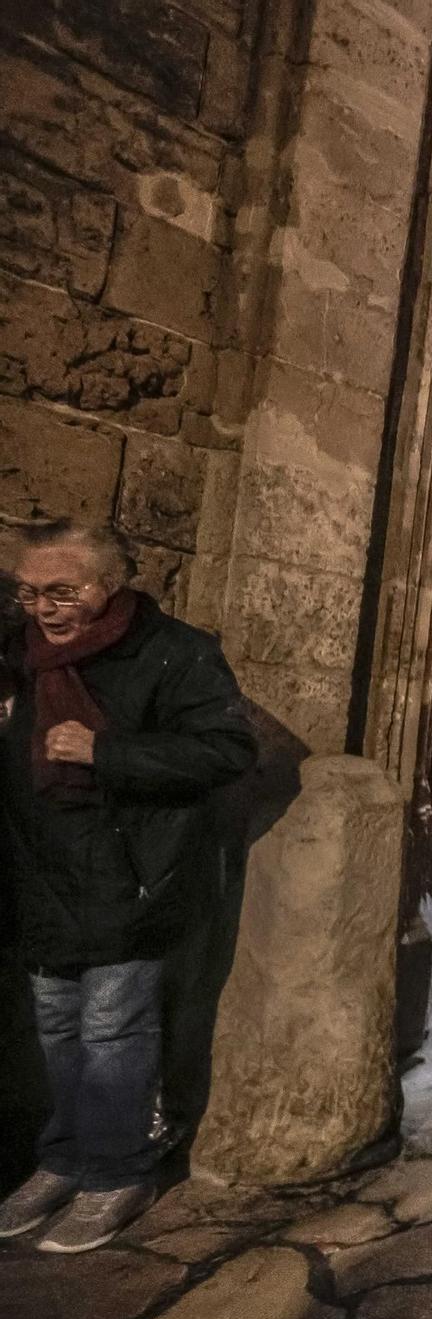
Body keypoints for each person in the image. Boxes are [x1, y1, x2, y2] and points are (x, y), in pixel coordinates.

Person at [0, 522, 255, 1251]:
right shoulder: (20, 654)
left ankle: (116, 1172)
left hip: (129, 877)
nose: (42, 608)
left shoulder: (176, 651)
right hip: (42, 873)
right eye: (28, 591)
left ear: (111, 584)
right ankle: (62, 1159)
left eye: (61, 591)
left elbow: (227, 748)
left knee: (112, 1032)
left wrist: (106, 750)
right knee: (55, 1027)